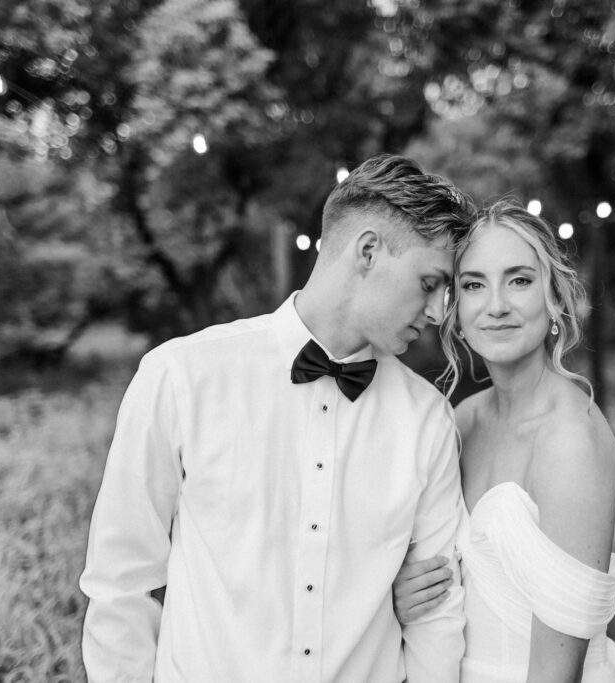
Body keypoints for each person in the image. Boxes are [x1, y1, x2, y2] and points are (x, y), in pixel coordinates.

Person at [80, 154, 475, 682]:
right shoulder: (182, 377)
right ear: (368, 252)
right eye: (429, 282)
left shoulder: (427, 419)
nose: (436, 312)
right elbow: (119, 582)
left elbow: (438, 615)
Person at [392, 199, 615, 683]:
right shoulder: (462, 421)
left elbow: (555, 673)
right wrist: (404, 594)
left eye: (519, 280)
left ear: (554, 299)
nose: (497, 305)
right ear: (456, 309)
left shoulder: (570, 441)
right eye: (474, 285)